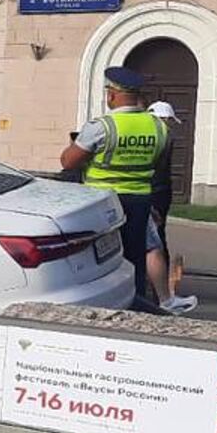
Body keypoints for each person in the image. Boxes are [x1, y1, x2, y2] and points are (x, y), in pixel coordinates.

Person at [59, 67, 168, 310]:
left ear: (112, 95)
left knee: (101, 258)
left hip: (102, 202)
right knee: (135, 256)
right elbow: (157, 163)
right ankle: (136, 304)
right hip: (139, 201)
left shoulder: (102, 126)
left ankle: (101, 304)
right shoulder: (159, 127)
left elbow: (68, 162)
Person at [147, 100, 196, 313]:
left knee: (151, 241)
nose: (169, 125)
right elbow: (153, 173)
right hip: (155, 195)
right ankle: (163, 295)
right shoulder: (161, 138)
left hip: (155, 194)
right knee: (155, 244)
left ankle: (155, 290)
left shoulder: (155, 136)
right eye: (167, 120)